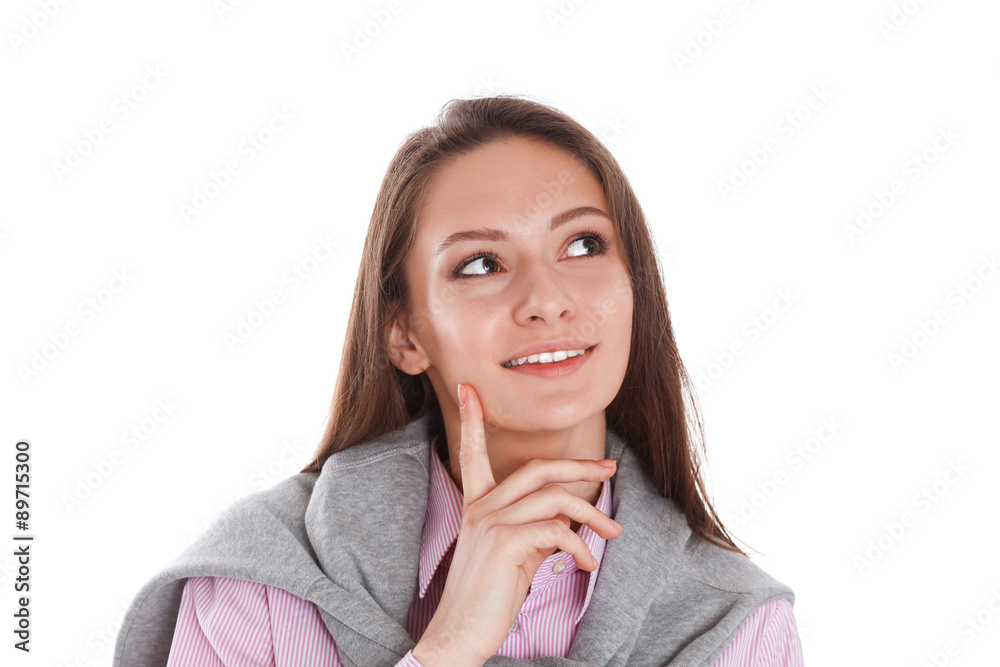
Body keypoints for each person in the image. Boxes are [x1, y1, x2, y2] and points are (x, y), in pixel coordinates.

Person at [114, 94, 804, 666]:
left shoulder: (738, 627)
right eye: (480, 263)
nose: (547, 297)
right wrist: (446, 648)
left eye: (583, 244)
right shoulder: (265, 581)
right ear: (405, 335)